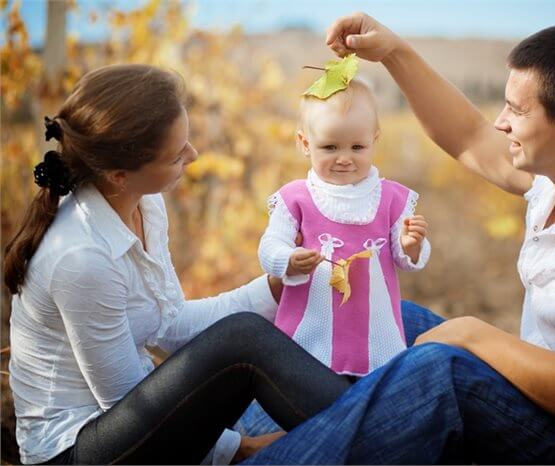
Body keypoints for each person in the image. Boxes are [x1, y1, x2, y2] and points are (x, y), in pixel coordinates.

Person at [243, 13, 555, 465]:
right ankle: (279, 441)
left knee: (441, 370)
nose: (500, 122)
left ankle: (274, 456)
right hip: (543, 408)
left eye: (517, 111)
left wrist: (472, 336)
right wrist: (394, 51)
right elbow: (466, 133)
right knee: (374, 313)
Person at [3, 64, 364, 465]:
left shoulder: (146, 206)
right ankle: (386, 430)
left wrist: (277, 287)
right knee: (244, 338)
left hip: (130, 423)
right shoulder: (82, 258)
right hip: (77, 452)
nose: (193, 156)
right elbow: (125, 401)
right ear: (120, 175)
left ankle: (371, 410)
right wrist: (236, 449)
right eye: (177, 155)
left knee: (264, 334)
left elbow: (169, 324)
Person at [258, 77, 430, 377]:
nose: (344, 158)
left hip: (375, 334)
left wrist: (411, 246)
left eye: (357, 147)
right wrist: (287, 259)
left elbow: (402, 259)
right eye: (330, 146)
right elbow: (270, 245)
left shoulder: (389, 198)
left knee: (372, 393)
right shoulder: (296, 198)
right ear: (305, 143)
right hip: (309, 332)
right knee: (310, 394)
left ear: (374, 140)